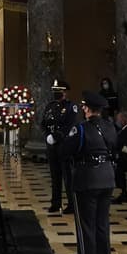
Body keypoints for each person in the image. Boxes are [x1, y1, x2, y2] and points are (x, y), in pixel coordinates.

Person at [63, 91, 117, 254]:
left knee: (86, 228)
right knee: (102, 226)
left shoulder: (81, 128)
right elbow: (115, 147)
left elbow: (66, 150)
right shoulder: (110, 126)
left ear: (86, 108)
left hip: (87, 180)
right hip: (107, 178)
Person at [39, 78, 78, 214]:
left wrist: (56, 136)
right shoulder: (50, 106)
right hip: (51, 146)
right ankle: (56, 203)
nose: (56, 93)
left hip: (64, 145)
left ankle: (72, 204)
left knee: (68, 177)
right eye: (54, 91)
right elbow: (43, 123)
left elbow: (69, 125)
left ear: (65, 92)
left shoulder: (70, 107)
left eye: (58, 91)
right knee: (55, 176)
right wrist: (47, 136)